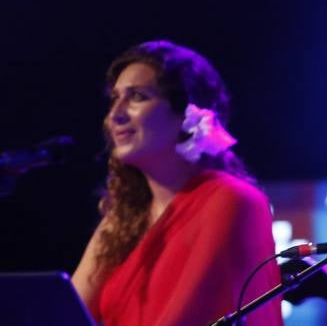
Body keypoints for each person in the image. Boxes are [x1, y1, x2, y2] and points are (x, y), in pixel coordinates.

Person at [72, 40, 283, 326]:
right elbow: (66, 313)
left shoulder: (232, 200)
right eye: (114, 98)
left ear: (187, 111)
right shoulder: (122, 220)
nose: (115, 115)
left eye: (137, 97)